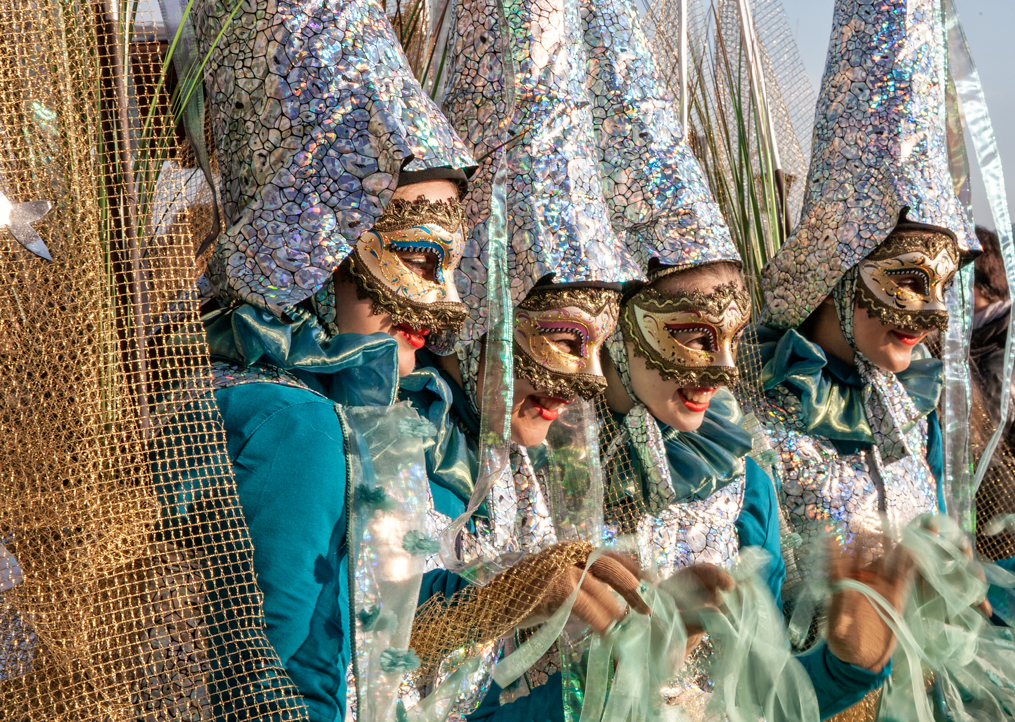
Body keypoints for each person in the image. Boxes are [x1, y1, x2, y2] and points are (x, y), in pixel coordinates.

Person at [579, 0, 904, 716]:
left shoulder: (739, 480)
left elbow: (763, 699)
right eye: (696, 333)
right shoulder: (522, 477)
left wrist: (846, 666)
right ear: (617, 316)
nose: (726, 370)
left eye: (732, 336)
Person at [192, 0, 481, 718]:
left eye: (453, 266)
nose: (444, 307)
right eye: (417, 256)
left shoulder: (398, 429)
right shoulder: (292, 423)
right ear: (319, 246)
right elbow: (266, 679)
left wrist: (528, 595)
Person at [752, 0, 982, 717]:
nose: (933, 313)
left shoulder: (912, 411)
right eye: (911, 279)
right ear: (838, 261)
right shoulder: (736, 422)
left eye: (944, 286)